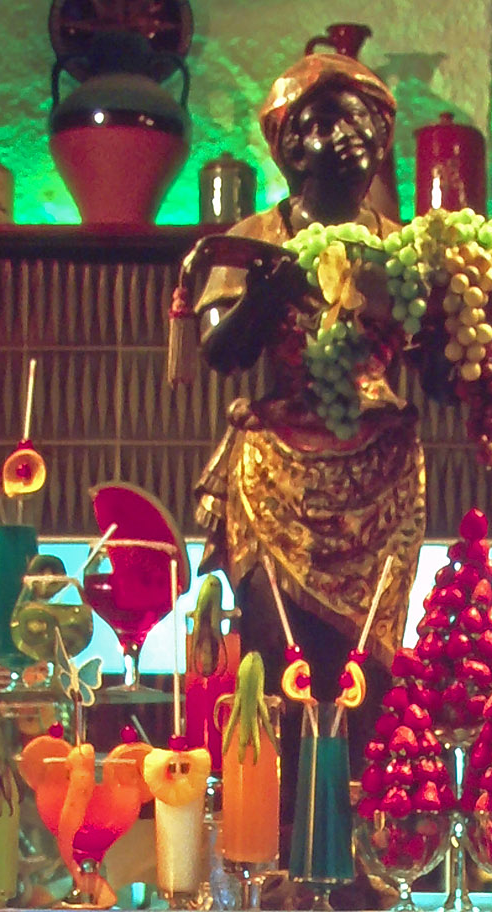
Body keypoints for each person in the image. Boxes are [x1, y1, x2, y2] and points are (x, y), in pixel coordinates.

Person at [184, 49, 423, 764]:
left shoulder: (404, 249)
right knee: (274, 658)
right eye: (321, 122)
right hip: (275, 471)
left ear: (382, 142)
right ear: (286, 145)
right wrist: (268, 294)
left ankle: (360, 814)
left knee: (369, 670)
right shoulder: (251, 239)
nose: (343, 138)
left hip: (379, 472)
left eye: (360, 122)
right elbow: (220, 350)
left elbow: (442, 372)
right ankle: (280, 814)